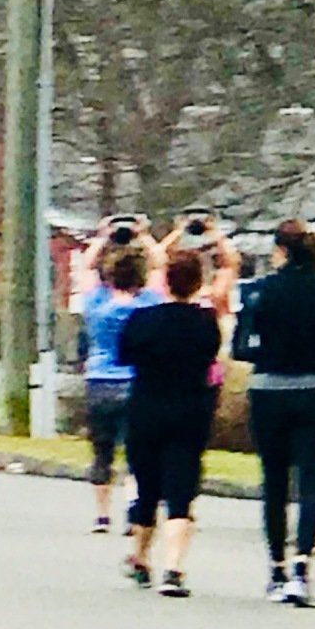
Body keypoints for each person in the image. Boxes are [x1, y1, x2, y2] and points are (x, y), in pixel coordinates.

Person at [244, 221, 315, 607]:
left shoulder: (259, 293)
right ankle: (302, 568)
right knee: (312, 481)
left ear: (280, 251)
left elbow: (243, 348)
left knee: (274, 482)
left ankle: (276, 568)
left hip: (270, 389)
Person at [118, 252, 222, 598]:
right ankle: (174, 568)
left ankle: (141, 557)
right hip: (189, 412)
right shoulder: (206, 323)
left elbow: (125, 356)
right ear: (198, 283)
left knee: (147, 488)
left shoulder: (142, 319)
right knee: (181, 492)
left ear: (165, 281)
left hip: (146, 409)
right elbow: (210, 360)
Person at [76, 219, 167, 533]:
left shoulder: (97, 302)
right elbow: (161, 266)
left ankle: (102, 515)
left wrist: (103, 237)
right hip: (136, 382)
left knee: (102, 452)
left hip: (99, 381)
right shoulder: (148, 304)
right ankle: (133, 504)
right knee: (135, 450)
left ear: (110, 275)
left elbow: (86, 270)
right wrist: (143, 235)